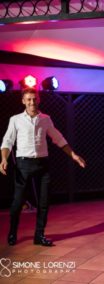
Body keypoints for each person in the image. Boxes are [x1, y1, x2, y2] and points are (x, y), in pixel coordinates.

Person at [0, 87, 86, 247]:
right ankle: (12, 232)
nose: (32, 102)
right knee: (18, 202)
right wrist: (4, 159)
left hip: (42, 164)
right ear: (23, 101)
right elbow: (7, 141)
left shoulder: (46, 118)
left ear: (38, 99)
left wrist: (73, 155)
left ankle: (39, 235)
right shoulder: (15, 119)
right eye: (29, 99)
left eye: (35, 98)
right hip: (23, 164)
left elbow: (58, 138)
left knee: (44, 202)